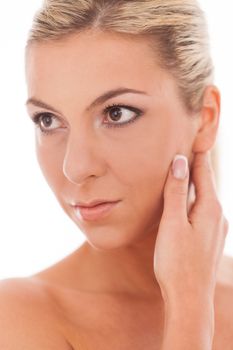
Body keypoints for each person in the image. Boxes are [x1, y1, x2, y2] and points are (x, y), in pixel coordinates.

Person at [0, 0, 232, 349]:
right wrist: (189, 308)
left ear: (205, 118)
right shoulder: (17, 319)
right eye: (48, 120)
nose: (75, 168)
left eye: (118, 113)